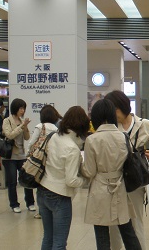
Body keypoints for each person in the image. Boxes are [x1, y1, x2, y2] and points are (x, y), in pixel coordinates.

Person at [105, 90, 149, 250]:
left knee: (136, 219)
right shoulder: (110, 126)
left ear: (124, 107)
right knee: (114, 220)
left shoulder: (143, 124)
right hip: (115, 178)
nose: (114, 114)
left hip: (135, 177)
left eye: (115, 110)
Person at [82, 99, 141, 250]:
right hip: (120, 186)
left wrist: (79, 166)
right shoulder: (123, 137)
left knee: (102, 234)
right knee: (128, 231)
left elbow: (89, 171)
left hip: (100, 190)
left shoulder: (92, 140)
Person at [38, 106, 89, 250]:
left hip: (42, 191)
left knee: (48, 237)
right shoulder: (72, 149)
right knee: (59, 243)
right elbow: (71, 180)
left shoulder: (54, 136)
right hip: (59, 196)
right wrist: (86, 180)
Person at [29, 105, 62, 219]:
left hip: (40, 160)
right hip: (52, 161)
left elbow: (31, 143)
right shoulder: (56, 128)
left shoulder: (40, 127)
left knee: (40, 184)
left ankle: (42, 210)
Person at [2, 98, 34, 214]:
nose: (22, 110)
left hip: (21, 155)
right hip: (10, 157)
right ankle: (14, 204)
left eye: (24, 108)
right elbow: (10, 135)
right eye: (20, 108)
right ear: (15, 108)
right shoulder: (7, 121)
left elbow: (26, 137)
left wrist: (25, 127)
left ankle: (30, 203)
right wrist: (21, 126)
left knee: (26, 179)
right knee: (12, 182)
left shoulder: (22, 121)